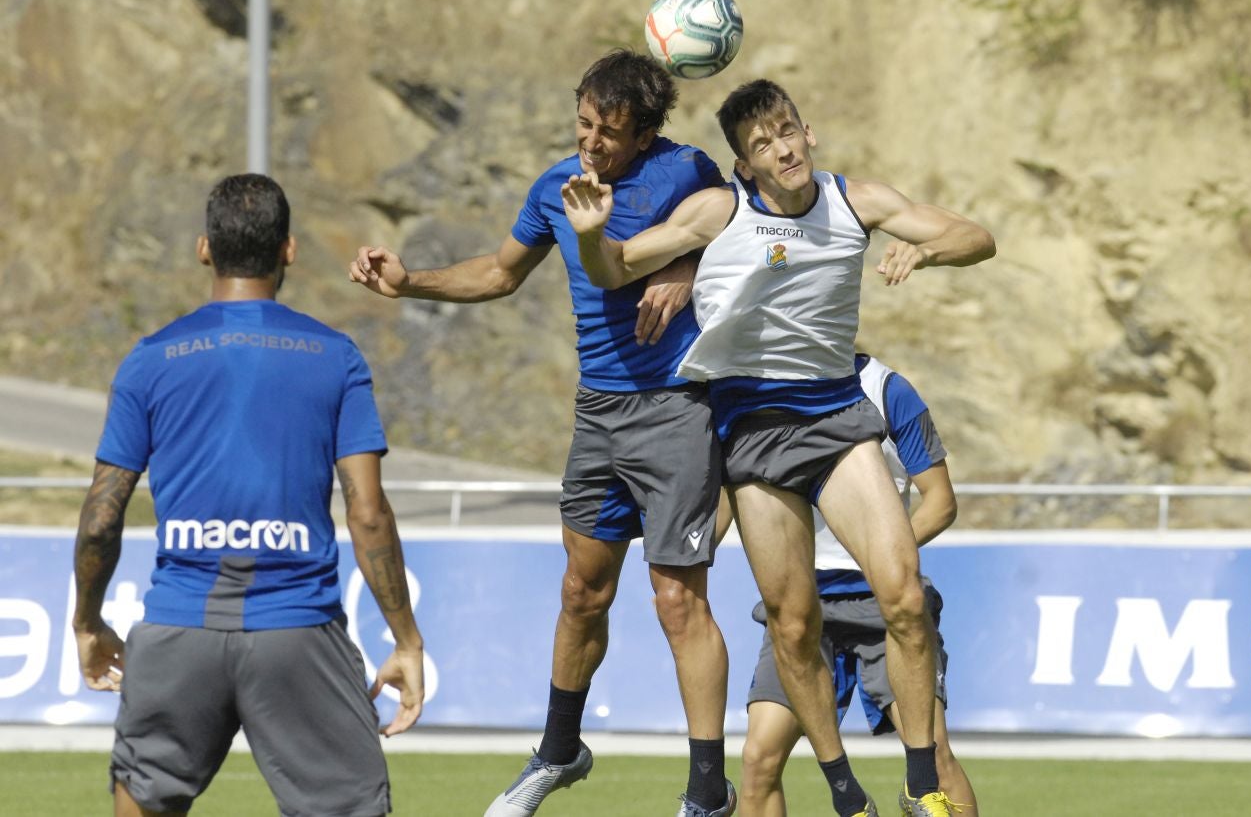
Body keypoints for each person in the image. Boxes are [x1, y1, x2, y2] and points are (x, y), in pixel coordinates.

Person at [562, 78, 996, 817]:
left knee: (904, 595)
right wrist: (588, 234)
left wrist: (923, 256)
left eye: (788, 130)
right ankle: (842, 787)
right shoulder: (719, 211)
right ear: (745, 165)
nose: (782, 147)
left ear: (809, 132)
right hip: (753, 433)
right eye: (762, 143)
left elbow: (975, 236)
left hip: (834, 418)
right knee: (792, 624)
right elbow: (616, 267)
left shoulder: (854, 202)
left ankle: (922, 781)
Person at [349, 49, 736, 817]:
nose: (592, 144)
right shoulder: (555, 188)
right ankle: (559, 751)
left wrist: (692, 270)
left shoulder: (690, 172)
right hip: (598, 413)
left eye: (611, 133)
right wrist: (410, 280)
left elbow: (750, 229)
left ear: (648, 132)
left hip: (676, 408)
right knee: (580, 590)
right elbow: (498, 272)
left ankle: (705, 793)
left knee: (675, 600)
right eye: (584, 124)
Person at [72, 173, 425, 817]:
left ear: (205, 248)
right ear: (288, 250)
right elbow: (368, 514)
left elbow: (101, 517)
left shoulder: (150, 359)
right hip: (297, 632)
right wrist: (406, 639)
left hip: (178, 629)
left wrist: (88, 621)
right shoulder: (335, 356)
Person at [733, 354, 979, 816]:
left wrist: (879, 556)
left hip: (880, 602)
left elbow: (941, 501)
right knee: (758, 760)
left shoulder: (888, 389)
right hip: (801, 607)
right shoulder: (755, 385)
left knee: (935, 755)